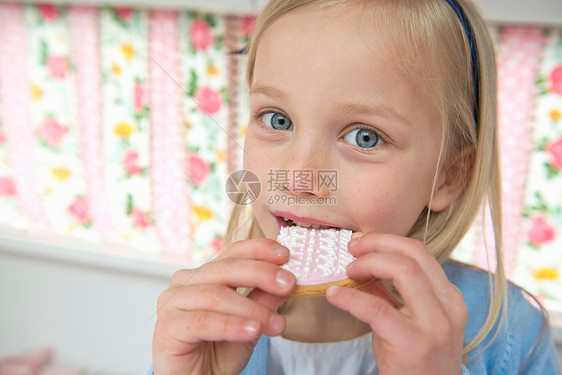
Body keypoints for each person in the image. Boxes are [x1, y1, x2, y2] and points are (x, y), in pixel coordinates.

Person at [150, 0, 560, 374]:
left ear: (448, 176)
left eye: (365, 136)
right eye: (277, 119)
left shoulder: (513, 334)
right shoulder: (204, 319)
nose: (298, 178)